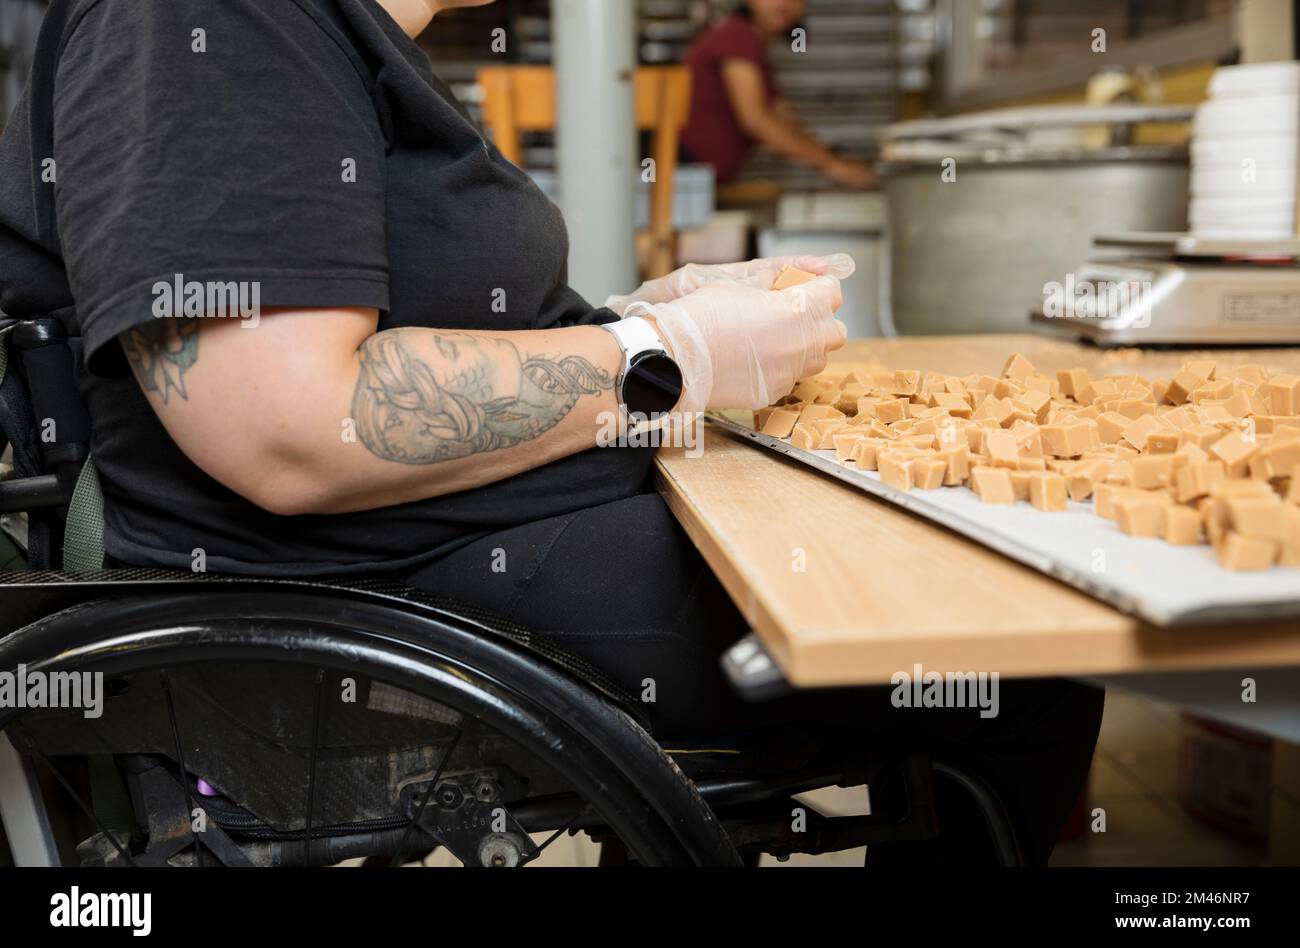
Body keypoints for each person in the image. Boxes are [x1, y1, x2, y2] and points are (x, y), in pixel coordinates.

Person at [0, 0, 1100, 865]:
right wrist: (667, 356)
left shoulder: (339, 38)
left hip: (447, 540)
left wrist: (639, 316)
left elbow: (404, 324)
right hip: (358, 587)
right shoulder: (212, 22)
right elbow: (290, 424)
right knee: (1003, 646)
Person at [680, 0, 876, 188]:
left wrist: (834, 157)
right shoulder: (737, 36)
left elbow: (783, 118)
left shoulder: (755, 50)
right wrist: (832, 165)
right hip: (681, 173)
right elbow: (756, 120)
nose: (783, 4)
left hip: (699, 182)